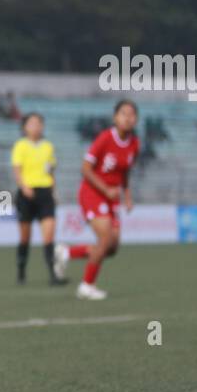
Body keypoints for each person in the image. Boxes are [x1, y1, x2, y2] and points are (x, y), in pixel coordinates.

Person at [54, 100, 140, 300]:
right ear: (115, 117)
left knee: (111, 248)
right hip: (92, 192)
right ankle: (86, 286)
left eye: (132, 114)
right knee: (105, 238)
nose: (128, 118)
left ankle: (67, 253)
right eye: (123, 113)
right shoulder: (104, 138)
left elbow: (125, 172)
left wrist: (127, 196)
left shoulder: (135, 143)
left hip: (112, 198)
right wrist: (106, 189)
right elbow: (85, 168)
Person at [10, 113, 65, 285]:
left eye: (39, 123)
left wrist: (54, 192)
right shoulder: (20, 145)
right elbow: (17, 170)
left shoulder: (48, 146)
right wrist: (24, 187)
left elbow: (51, 171)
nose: (36, 126)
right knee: (25, 237)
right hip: (26, 194)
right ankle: (21, 272)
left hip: (45, 193)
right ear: (25, 127)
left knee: (49, 236)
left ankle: (53, 275)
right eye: (32, 123)